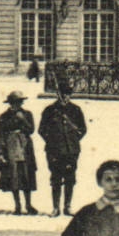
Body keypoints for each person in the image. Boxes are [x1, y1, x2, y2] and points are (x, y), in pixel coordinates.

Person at [39, 88, 89, 217]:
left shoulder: (75, 110)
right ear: (57, 94)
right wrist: (52, 141)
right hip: (54, 150)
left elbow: (83, 129)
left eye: (67, 94)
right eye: (62, 94)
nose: (64, 97)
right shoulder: (50, 110)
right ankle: (55, 208)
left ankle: (67, 206)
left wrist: (73, 140)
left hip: (71, 150)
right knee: (55, 178)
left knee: (70, 178)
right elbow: (41, 130)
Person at [0, 91, 39, 215]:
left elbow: (31, 130)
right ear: (10, 103)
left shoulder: (27, 114)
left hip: (25, 147)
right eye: (15, 102)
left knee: (27, 175)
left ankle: (28, 204)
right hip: (10, 146)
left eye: (20, 102)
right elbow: (1, 135)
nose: (18, 105)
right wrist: (0, 152)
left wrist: (23, 120)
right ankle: (17, 205)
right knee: (14, 176)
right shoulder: (4, 116)